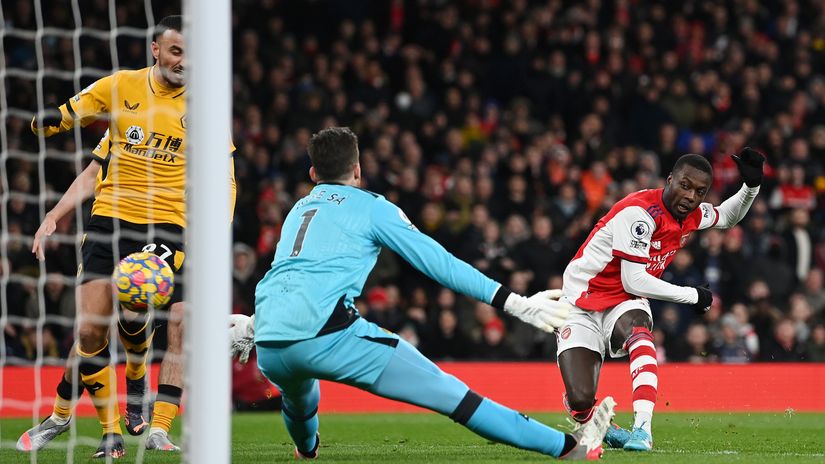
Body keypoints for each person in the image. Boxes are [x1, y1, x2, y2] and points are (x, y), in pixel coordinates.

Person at [229, 127, 615, 460]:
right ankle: (569, 447)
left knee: (299, 398)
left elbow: (291, 274)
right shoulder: (371, 207)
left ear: (313, 173)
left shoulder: (298, 208)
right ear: (358, 170)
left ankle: (306, 449)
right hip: (325, 335)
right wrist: (513, 302)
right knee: (451, 395)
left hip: (269, 340)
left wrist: (254, 321)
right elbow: (440, 263)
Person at [17, 15, 236, 458]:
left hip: (171, 225)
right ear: (156, 49)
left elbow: (225, 177)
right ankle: (97, 424)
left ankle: (156, 426)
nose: (185, 62)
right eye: (176, 51)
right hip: (111, 220)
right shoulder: (120, 88)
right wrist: (54, 212)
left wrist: (217, 232)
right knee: (90, 330)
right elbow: (73, 128)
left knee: (176, 319)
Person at [554, 149, 764, 451]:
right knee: (581, 398)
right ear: (670, 180)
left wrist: (751, 188)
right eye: (685, 185)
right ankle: (591, 418)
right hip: (580, 301)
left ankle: (642, 429)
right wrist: (693, 295)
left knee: (639, 333)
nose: (691, 196)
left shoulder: (691, 214)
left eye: (700, 191)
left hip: (624, 300)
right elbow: (633, 278)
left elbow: (727, 216)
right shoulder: (638, 214)